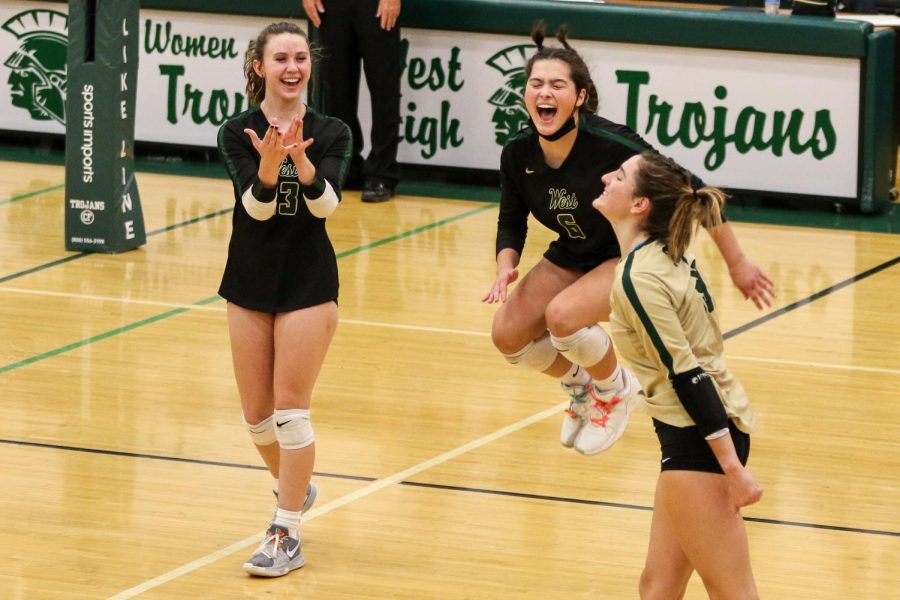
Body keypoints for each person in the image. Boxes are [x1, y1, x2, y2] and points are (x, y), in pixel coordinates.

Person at [482, 23, 774, 456]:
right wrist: (506, 265)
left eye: (557, 85)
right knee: (507, 334)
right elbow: (512, 219)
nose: (545, 92)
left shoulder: (612, 143)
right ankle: (583, 388)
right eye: (536, 83)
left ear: (579, 97)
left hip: (630, 252)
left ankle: (616, 390)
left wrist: (737, 263)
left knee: (562, 317)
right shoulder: (517, 153)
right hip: (574, 252)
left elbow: (694, 190)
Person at [595, 151, 763, 599]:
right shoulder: (664, 254)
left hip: (700, 439)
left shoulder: (640, 277)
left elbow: (688, 375)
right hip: (696, 434)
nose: (607, 176)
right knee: (659, 586)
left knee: (732, 590)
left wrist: (731, 468)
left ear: (639, 205)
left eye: (620, 175)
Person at [217, 21, 351, 577]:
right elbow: (257, 210)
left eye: (300, 57)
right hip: (248, 281)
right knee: (257, 419)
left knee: (291, 412)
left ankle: (285, 531)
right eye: (281, 59)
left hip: (308, 284)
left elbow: (327, 207)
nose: (292, 67)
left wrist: (299, 159)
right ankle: (296, 486)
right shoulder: (235, 131)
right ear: (260, 67)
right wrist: (269, 167)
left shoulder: (333, 129)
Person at [302, 0, 401, 202]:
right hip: (331, 6)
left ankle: (382, 174)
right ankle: (347, 167)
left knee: (383, 87)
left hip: (375, 4)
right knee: (335, 88)